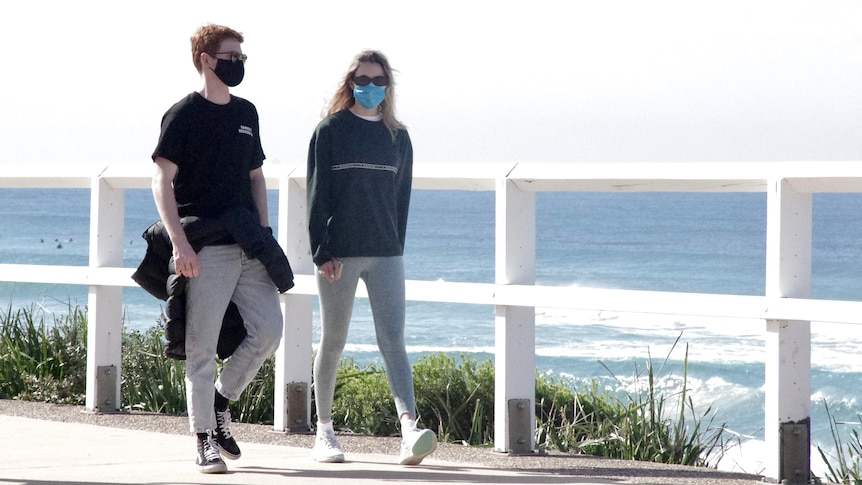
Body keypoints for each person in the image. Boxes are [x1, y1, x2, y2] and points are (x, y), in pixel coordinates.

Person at [150, 23, 284, 474]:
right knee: (200, 346)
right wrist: (180, 243)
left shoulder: (247, 112)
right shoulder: (183, 114)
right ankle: (203, 437)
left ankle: (221, 400)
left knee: (269, 329)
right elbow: (161, 180)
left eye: (242, 57)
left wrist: (264, 234)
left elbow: (256, 176)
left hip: (249, 243)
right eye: (232, 56)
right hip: (205, 246)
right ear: (207, 59)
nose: (238, 64)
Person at [306, 49, 437, 466]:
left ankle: (409, 431)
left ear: (388, 86)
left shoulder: (399, 136)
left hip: (386, 255)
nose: (370, 87)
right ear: (350, 83)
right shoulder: (329, 130)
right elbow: (316, 194)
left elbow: (402, 199)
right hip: (339, 255)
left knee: (393, 341)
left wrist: (395, 245)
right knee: (334, 340)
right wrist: (320, 251)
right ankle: (324, 431)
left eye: (378, 80)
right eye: (363, 79)